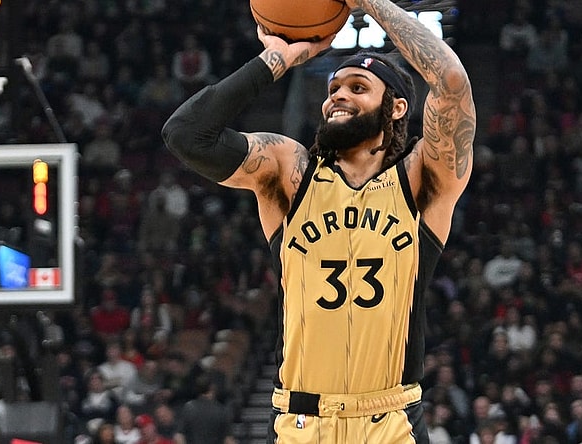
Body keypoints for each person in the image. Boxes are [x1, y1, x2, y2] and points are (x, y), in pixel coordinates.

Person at [161, 0, 476, 440]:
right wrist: (276, 59)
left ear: (398, 108)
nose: (338, 96)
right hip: (301, 422)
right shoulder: (290, 171)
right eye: (333, 89)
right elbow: (185, 135)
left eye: (358, 87)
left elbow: (451, 82)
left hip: (390, 421)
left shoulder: (421, 178)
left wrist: (371, 4)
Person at [174, 374, 234, 444]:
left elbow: (179, 436)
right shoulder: (222, 410)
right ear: (212, 387)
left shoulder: (188, 408)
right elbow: (228, 440)